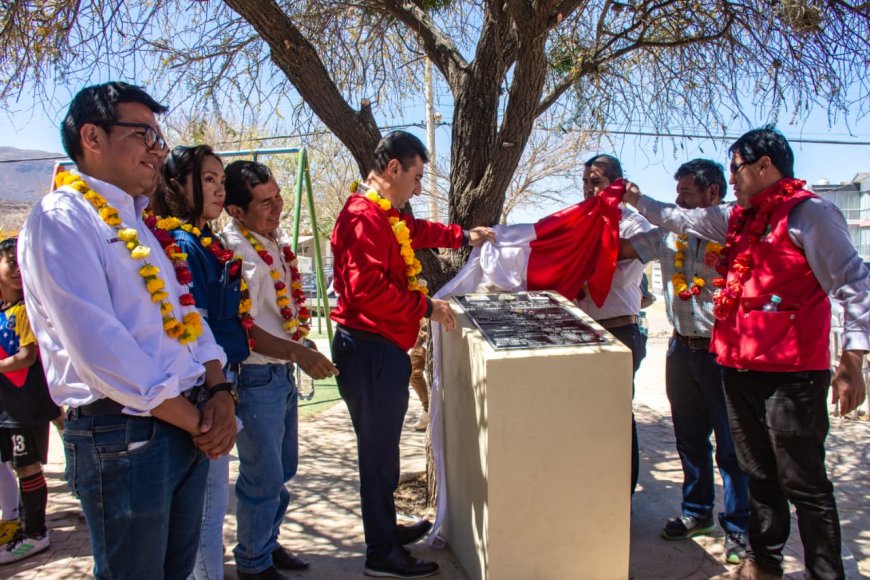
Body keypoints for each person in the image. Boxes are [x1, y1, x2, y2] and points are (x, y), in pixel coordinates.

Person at [624, 126, 869, 580]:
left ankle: (826, 573)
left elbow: (855, 285)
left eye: (735, 168)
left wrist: (853, 359)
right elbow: (677, 219)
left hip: (792, 378)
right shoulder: (736, 217)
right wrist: (635, 197)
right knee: (759, 475)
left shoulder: (811, 216)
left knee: (804, 483)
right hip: (736, 368)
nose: (731, 179)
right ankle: (764, 564)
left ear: (764, 166)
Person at [18, 82, 238, 579]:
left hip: (184, 421)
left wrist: (218, 386)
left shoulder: (145, 225)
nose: (158, 150)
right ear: (92, 137)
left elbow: (189, 314)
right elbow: (100, 345)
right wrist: (194, 418)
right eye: (144, 135)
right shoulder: (62, 218)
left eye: (160, 138)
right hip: (123, 431)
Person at [331, 130, 495, 578]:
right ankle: (381, 553)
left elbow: (416, 231)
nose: (419, 188)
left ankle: (384, 530)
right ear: (392, 170)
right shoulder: (364, 217)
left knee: (383, 451)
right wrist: (426, 306)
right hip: (369, 349)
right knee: (378, 454)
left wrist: (464, 235)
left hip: (380, 348)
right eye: (417, 177)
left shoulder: (385, 213)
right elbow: (367, 291)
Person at [619, 160, 749, 564]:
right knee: (690, 439)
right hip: (680, 349)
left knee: (730, 447)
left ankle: (739, 527)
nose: (677, 201)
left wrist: (637, 198)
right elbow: (624, 251)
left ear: (712, 195)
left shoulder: (734, 231)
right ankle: (697, 513)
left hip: (723, 352)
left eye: (686, 193)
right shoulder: (667, 236)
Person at [221, 160, 338, 580]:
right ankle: (252, 563)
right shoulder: (233, 249)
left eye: (278, 197)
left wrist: (299, 346)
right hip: (254, 378)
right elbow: (242, 330)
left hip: (280, 374)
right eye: (265, 202)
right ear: (236, 211)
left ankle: (265, 545)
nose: (278, 208)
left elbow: (278, 317)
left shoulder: (269, 242)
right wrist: (300, 353)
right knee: (262, 476)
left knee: (282, 471)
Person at [152, 145, 252, 580]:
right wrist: (217, 390)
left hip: (219, 381)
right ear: (176, 185)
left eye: (220, 180)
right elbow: (197, 327)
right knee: (205, 512)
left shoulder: (206, 242)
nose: (217, 188)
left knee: (209, 506)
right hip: (202, 388)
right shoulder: (180, 244)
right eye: (207, 179)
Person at [576, 154, 651, 495]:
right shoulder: (577, 222)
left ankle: (621, 495)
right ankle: (590, 489)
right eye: (586, 182)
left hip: (619, 331)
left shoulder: (636, 226)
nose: (590, 189)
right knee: (583, 416)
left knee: (617, 418)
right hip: (580, 333)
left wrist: (580, 262)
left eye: (598, 182)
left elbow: (618, 282)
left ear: (617, 185)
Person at [0, 237, 61, 564]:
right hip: (7, 406)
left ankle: (36, 534)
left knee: (28, 468)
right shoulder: (5, 310)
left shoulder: (25, 311)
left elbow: (26, 357)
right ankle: (20, 525)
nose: (16, 272)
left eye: (21, 265)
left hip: (27, 406)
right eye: (10, 263)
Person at [409, 321, 430, 431]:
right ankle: (427, 408)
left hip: (430, 340)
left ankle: (430, 412)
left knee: (435, 379)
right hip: (420, 340)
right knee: (412, 373)